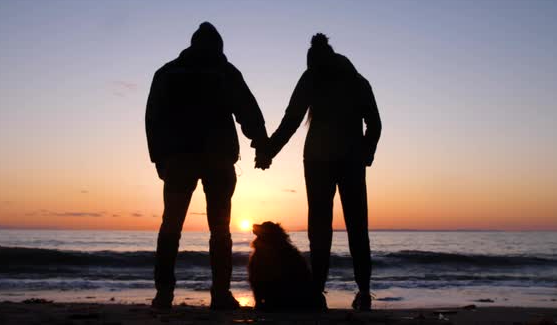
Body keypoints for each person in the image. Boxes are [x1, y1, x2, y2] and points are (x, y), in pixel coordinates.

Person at [145, 22, 269, 310]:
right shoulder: (225, 72)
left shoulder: (167, 72)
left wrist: (159, 158)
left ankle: (164, 293)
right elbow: (248, 110)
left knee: (171, 227)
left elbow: (153, 119)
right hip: (217, 158)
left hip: (180, 159)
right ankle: (220, 294)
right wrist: (261, 145)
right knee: (220, 229)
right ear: (219, 47)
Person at [258, 33, 381, 310]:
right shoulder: (358, 82)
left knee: (320, 228)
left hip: (318, 161)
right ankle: (363, 292)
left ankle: (318, 292)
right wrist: (365, 153)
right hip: (348, 161)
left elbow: (291, 120)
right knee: (357, 227)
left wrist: (268, 151)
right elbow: (375, 124)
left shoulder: (312, 77)